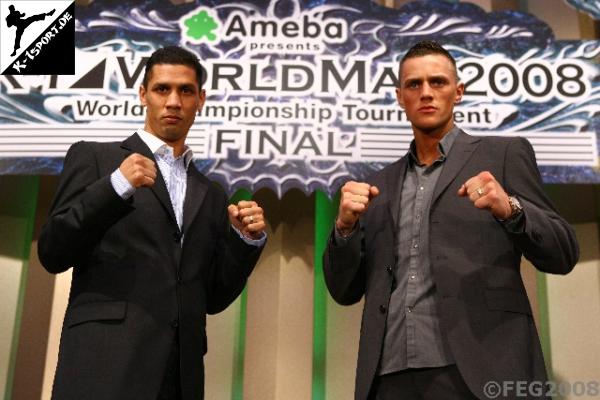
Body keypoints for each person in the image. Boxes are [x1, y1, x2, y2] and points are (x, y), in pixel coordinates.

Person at [323, 40, 579, 400]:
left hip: (480, 368)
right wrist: (344, 229)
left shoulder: (503, 155)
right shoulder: (378, 186)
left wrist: (511, 209)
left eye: (438, 82)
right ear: (399, 97)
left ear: (458, 92)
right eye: (414, 85)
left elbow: (563, 253)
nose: (426, 93)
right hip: (390, 374)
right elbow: (343, 291)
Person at [38, 46, 267, 400]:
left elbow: (212, 297)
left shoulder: (212, 193)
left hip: (179, 377)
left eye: (185, 91)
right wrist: (115, 187)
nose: (173, 101)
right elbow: (53, 251)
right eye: (162, 89)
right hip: (103, 368)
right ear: (143, 94)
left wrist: (244, 241)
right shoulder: (97, 158)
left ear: (201, 99)